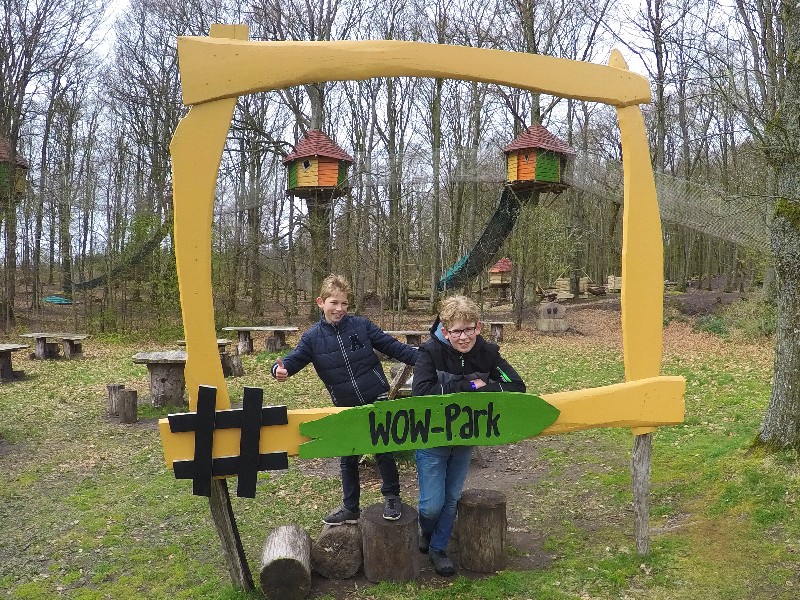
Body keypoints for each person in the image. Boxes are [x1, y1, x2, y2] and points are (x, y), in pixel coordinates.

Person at [271, 274, 418, 525]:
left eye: (344, 304)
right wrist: (278, 371)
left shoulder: (361, 325)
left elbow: (394, 347)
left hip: (377, 397)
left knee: (384, 450)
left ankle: (392, 497)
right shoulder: (312, 338)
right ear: (321, 302)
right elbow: (291, 362)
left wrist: (426, 359)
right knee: (347, 456)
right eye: (334, 303)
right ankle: (350, 507)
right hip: (345, 405)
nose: (339, 309)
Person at [412, 295, 526, 576]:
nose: (463, 337)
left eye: (468, 329)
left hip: (464, 439)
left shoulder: (487, 353)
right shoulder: (430, 353)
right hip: (432, 439)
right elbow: (422, 393)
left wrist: (482, 388)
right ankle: (427, 531)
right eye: (456, 331)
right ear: (446, 331)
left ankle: (439, 548)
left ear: (478, 327)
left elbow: (516, 385)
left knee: (451, 498)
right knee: (430, 505)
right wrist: (469, 384)